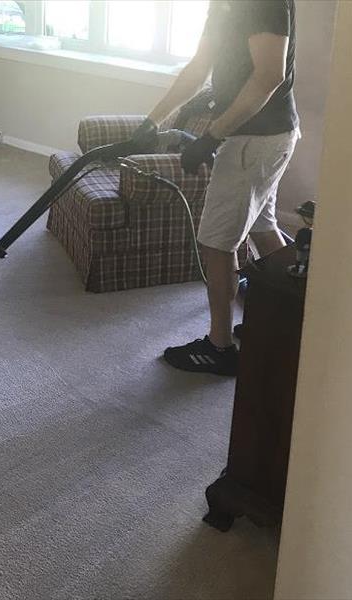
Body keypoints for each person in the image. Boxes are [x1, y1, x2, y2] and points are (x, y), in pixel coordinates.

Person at [132, 0, 300, 376]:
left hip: (256, 139)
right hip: (260, 138)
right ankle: (293, 317)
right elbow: (199, 66)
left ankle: (219, 347)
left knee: (217, 243)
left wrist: (211, 135)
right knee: (262, 226)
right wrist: (152, 120)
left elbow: (269, 75)